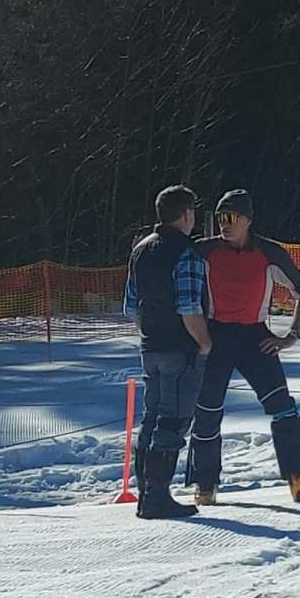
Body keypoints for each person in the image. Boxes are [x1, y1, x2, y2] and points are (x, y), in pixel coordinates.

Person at [188, 189, 300, 506]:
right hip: (215, 336)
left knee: (281, 405)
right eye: (220, 218)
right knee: (206, 411)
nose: (224, 224)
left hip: (254, 337)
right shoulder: (204, 251)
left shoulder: (269, 253)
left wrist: (292, 335)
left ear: (247, 220)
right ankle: (205, 483)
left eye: (231, 218)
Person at [123, 185, 212, 522]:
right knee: (173, 421)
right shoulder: (187, 253)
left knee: (151, 418)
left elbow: (131, 305)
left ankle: (146, 493)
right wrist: (204, 342)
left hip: (150, 346)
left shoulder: (141, 249)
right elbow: (189, 305)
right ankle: (158, 497)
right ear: (186, 215)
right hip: (180, 348)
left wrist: (149, 333)